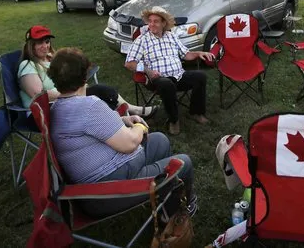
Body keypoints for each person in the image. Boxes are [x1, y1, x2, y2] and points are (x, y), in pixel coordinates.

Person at [47, 47, 196, 216]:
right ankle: (181, 213)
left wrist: (122, 120)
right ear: (84, 76)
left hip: (100, 182)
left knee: (160, 140)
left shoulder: (58, 107)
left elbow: (88, 128)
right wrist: (139, 127)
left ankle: (164, 202)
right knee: (184, 162)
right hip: (109, 189)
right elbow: (130, 144)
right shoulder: (89, 106)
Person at [18, 25, 157, 118]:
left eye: (47, 41)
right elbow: (40, 95)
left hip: (64, 101)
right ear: (31, 45)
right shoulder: (27, 65)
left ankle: (126, 114)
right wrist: (73, 93)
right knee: (97, 99)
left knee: (101, 91)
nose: (45, 46)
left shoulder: (50, 59)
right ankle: (123, 119)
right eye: (39, 43)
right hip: (44, 112)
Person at [124, 6, 214, 135]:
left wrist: (199, 53)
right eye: (150, 21)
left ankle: (196, 112)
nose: (151, 24)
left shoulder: (171, 36)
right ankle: (173, 120)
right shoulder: (142, 40)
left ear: (163, 23)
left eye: (156, 21)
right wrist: (147, 71)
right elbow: (129, 63)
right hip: (157, 79)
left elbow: (186, 54)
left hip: (178, 75)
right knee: (167, 84)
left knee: (200, 76)